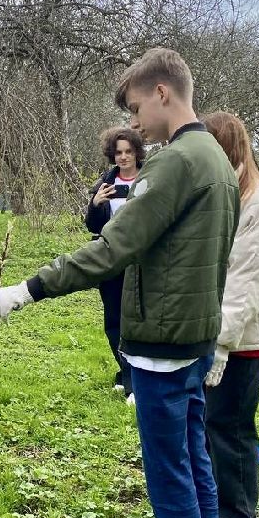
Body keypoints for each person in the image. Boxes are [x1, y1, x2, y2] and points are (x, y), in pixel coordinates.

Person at [0, 48, 240, 518]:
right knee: (196, 464)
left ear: (162, 93)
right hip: (196, 337)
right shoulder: (217, 161)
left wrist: (31, 288)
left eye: (136, 110)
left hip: (162, 347)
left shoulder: (175, 163)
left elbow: (114, 248)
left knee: (170, 474)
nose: (136, 126)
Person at [202, 112, 259, 518]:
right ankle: (217, 502)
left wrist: (220, 344)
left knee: (231, 427)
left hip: (240, 340)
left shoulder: (257, 206)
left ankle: (238, 516)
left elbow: (245, 286)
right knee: (211, 423)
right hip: (216, 332)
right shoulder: (226, 195)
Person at [85, 127, 146, 401]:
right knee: (114, 321)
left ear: (137, 153)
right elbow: (93, 227)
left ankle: (135, 381)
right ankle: (126, 373)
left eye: (128, 152)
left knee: (138, 321)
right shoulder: (105, 184)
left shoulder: (149, 180)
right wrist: (96, 204)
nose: (123, 157)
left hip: (142, 262)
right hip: (111, 262)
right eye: (118, 152)